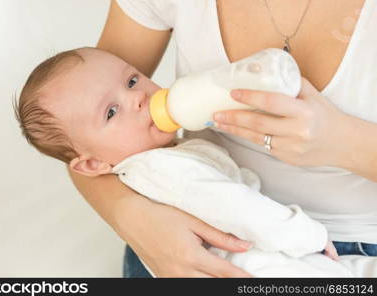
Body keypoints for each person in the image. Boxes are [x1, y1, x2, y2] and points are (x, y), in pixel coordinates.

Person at [68, 0, 377, 277]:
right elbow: (74, 131)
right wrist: (133, 217)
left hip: (355, 240)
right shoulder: (173, 172)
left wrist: (344, 142)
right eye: (112, 111)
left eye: (134, 80)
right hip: (194, 245)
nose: (137, 97)